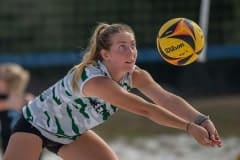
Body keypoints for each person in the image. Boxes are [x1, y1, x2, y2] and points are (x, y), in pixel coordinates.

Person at [4, 23, 222, 160]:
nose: (131, 52)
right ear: (105, 54)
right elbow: (146, 109)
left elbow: (166, 98)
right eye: (122, 47)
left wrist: (201, 120)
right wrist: (187, 127)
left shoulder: (135, 75)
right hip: (35, 125)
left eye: (133, 45)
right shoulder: (95, 80)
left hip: (69, 134)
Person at [0, 63, 34, 155]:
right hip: (9, 145)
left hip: (28, 144)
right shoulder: (4, 100)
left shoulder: (27, 100)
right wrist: (9, 104)